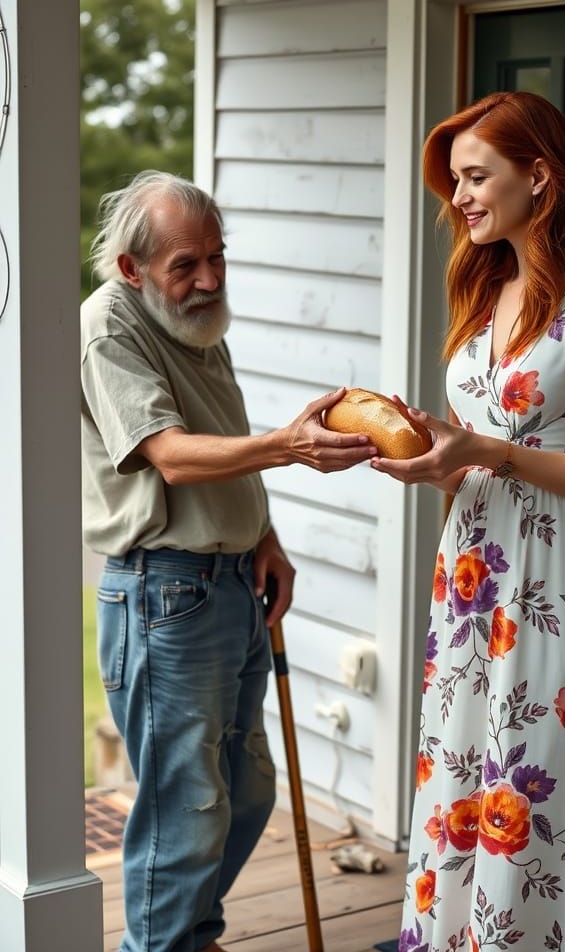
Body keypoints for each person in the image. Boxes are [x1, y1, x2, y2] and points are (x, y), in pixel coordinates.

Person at [371, 92, 565, 952]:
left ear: (538, 175)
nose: (458, 197)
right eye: (454, 180)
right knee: (466, 769)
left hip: (557, 578)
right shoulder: (490, 278)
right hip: (472, 571)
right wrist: (435, 454)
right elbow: (478, 440)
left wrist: (490, 453)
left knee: (539, 786)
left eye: (475, 176)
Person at [80, 170, 377, 952]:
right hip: (165, 591)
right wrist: (290, 445)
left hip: (235, 578)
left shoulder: (198, 322)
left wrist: (265, 535)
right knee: (187, 806)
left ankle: (186, 934)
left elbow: (223, 441)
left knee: (246, 793)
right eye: (186, 265)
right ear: (132, 269)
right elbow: (172, 456)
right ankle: (166, 943)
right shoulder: (111, 325)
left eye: (217, 257)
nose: (208, 279)